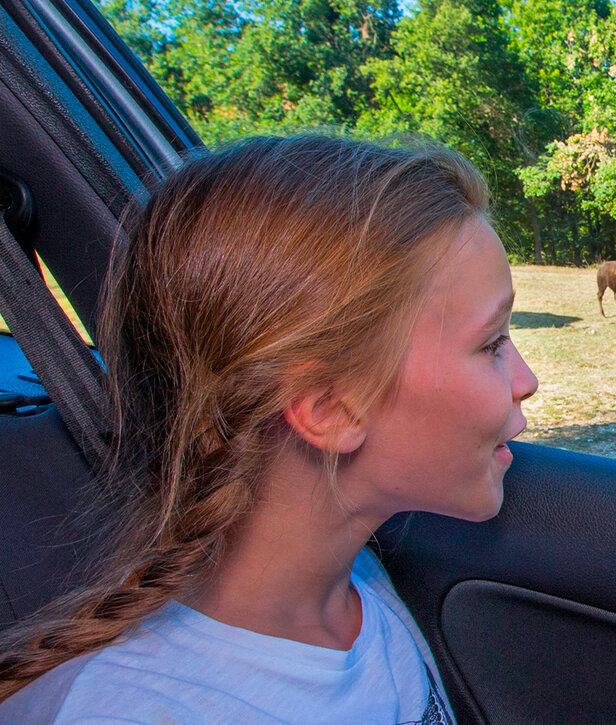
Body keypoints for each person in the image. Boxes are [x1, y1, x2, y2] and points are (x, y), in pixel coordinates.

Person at [0, 135, 538, 723]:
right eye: (491, 344)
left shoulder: (359, 590)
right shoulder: (126, 712)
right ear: (330, 409)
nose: (527, 378)